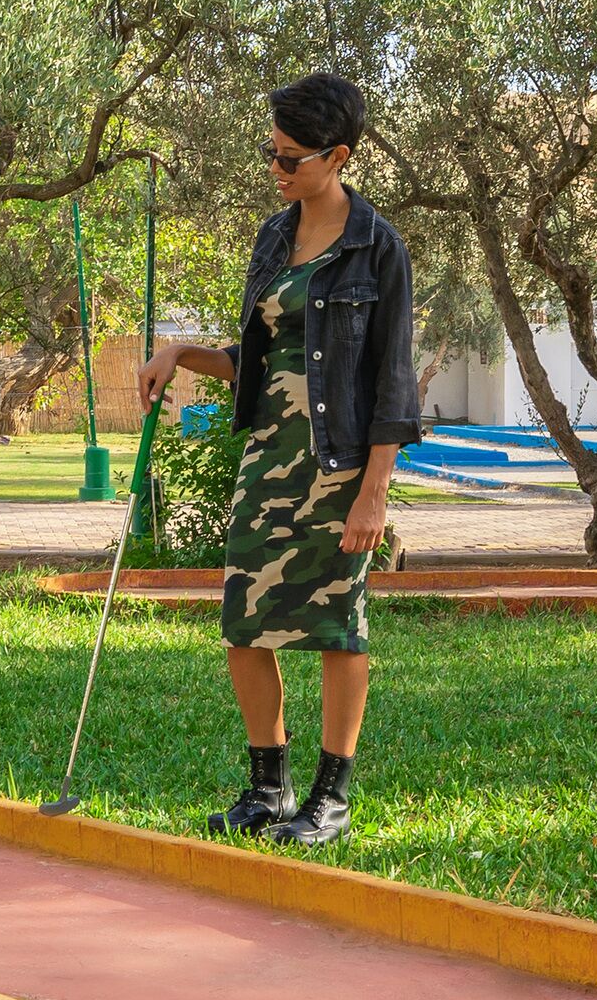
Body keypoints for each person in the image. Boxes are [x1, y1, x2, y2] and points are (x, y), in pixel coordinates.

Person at [135, 71, 419, 847]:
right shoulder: (273, 236)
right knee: (244, 621)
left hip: (341, 467)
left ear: (339, 156)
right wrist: (181, 352)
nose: (277, 169)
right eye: (272, 153)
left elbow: (392, 382)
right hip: (269, 457)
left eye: (291, 158)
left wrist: (374, 492)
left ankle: (330, 798)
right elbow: (258, 362)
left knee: (337, 628)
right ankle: (268, 787)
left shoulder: (377, 248)